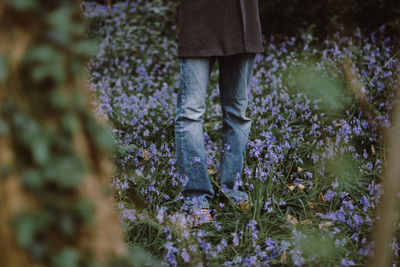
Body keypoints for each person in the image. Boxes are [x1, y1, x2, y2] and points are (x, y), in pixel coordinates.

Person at [175, 0, 264, 223]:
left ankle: (232, 190)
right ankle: (196, 196)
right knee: (190, 113)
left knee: (237, 113)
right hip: (198, 19)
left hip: (242, 21)